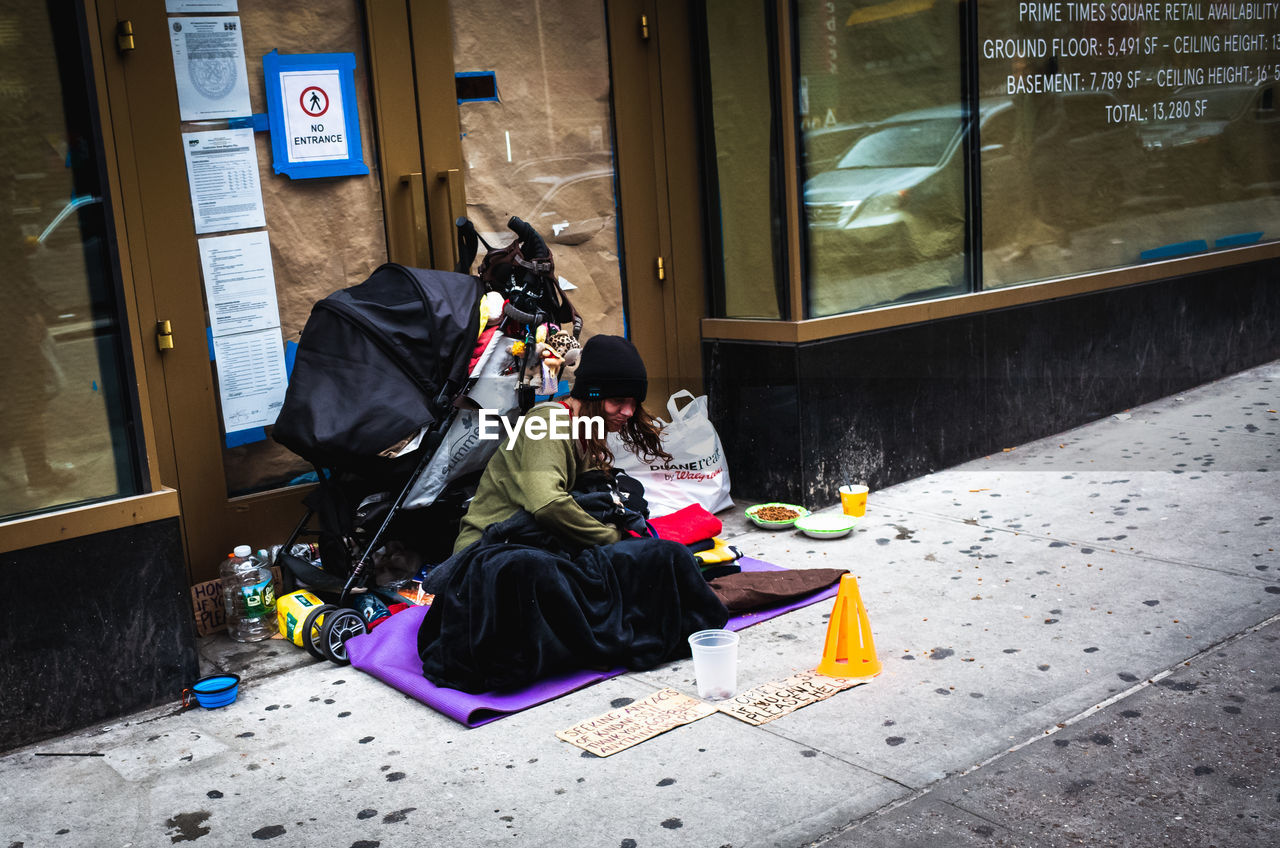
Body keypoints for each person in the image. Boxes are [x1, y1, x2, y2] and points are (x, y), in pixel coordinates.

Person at [451, 334, 671, 553]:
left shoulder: (588, 432)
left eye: (634, 403)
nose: (628, 412)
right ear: (591, 395)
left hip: (532, 542)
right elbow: (548, 504)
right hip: (488, 548)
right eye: (618, 401)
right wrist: (613, 537)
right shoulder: (549, 422)